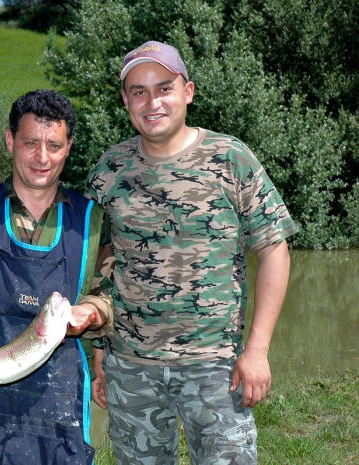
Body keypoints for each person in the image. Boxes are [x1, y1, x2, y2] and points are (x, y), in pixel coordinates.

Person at [86, 41, 298, 464]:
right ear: (126, 100)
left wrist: (256, 351)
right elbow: (102, 266)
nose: (152, 102)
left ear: (188, 91)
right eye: (139, 91)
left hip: (217, 366)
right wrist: (99, 356)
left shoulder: (230, 158)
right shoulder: (109, 171)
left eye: (164, 88)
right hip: (131, 366)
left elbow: (275, 250)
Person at [0, 89, 116, 464]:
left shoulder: (92, 222)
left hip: (63, 410)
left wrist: (91, 313)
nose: (42, 157)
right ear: (10, 140)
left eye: (54, 145)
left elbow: (107, 297)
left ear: (68, 147)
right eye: (31, 142)